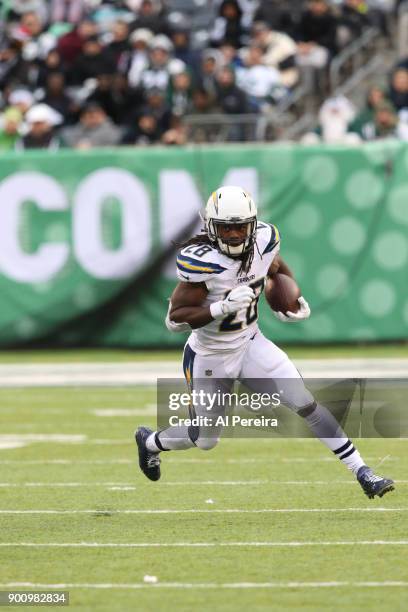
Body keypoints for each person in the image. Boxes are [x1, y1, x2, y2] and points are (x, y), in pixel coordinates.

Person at [135, 185, 394, 500]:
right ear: (210, 227)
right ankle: (150, 443)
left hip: (251, 343)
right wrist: (221, 307)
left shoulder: (263, 240)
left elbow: (277, 270)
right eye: (225, 227)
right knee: (204, 439)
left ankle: (363, 472)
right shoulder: (201, 262)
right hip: (210, 357)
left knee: (305, 402)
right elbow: (174, 320)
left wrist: (289, 303)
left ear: (252, 224)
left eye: (240, 226)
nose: (233, 234)